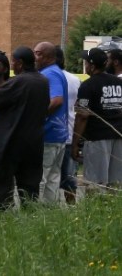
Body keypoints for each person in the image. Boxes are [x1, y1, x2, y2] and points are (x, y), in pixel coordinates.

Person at [0, 47, 50, 209]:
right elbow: (24, 109)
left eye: (13, 62)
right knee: (29, 193)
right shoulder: (43, 81)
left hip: (8, 146)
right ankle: (29, 222)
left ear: (19, 63)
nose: (12, 65)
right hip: (33, 145)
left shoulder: (20, 81)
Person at [72, 48, 122, 194]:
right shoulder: (118, 82)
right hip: (118, 135)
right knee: (115, 183)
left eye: (86, 63)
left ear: (92, 66)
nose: (85, 65)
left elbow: (82, 116)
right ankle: (113, 211)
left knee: (95, 183)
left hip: (97, 138)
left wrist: (75, 143)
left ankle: (95, 212)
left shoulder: (88, 85)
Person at [33, 42, 69, 205]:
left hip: (48, 134)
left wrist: (37, 117)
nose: (34, 57)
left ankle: (38, 216)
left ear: (47, 56)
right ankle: (50, 214)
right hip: (58, 135)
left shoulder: (50, 74)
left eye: (37, 53)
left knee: (40, 178)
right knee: (53, 178)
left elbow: (57, 100)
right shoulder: (56, 72)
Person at [55, 48, 81, 204]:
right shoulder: (75, 79)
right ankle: (71, 209)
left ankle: (48, 210)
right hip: (70, 132)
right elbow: (78, 107)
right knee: (69, 177)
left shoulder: (46, 77)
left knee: (48, 176)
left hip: (50, 135)